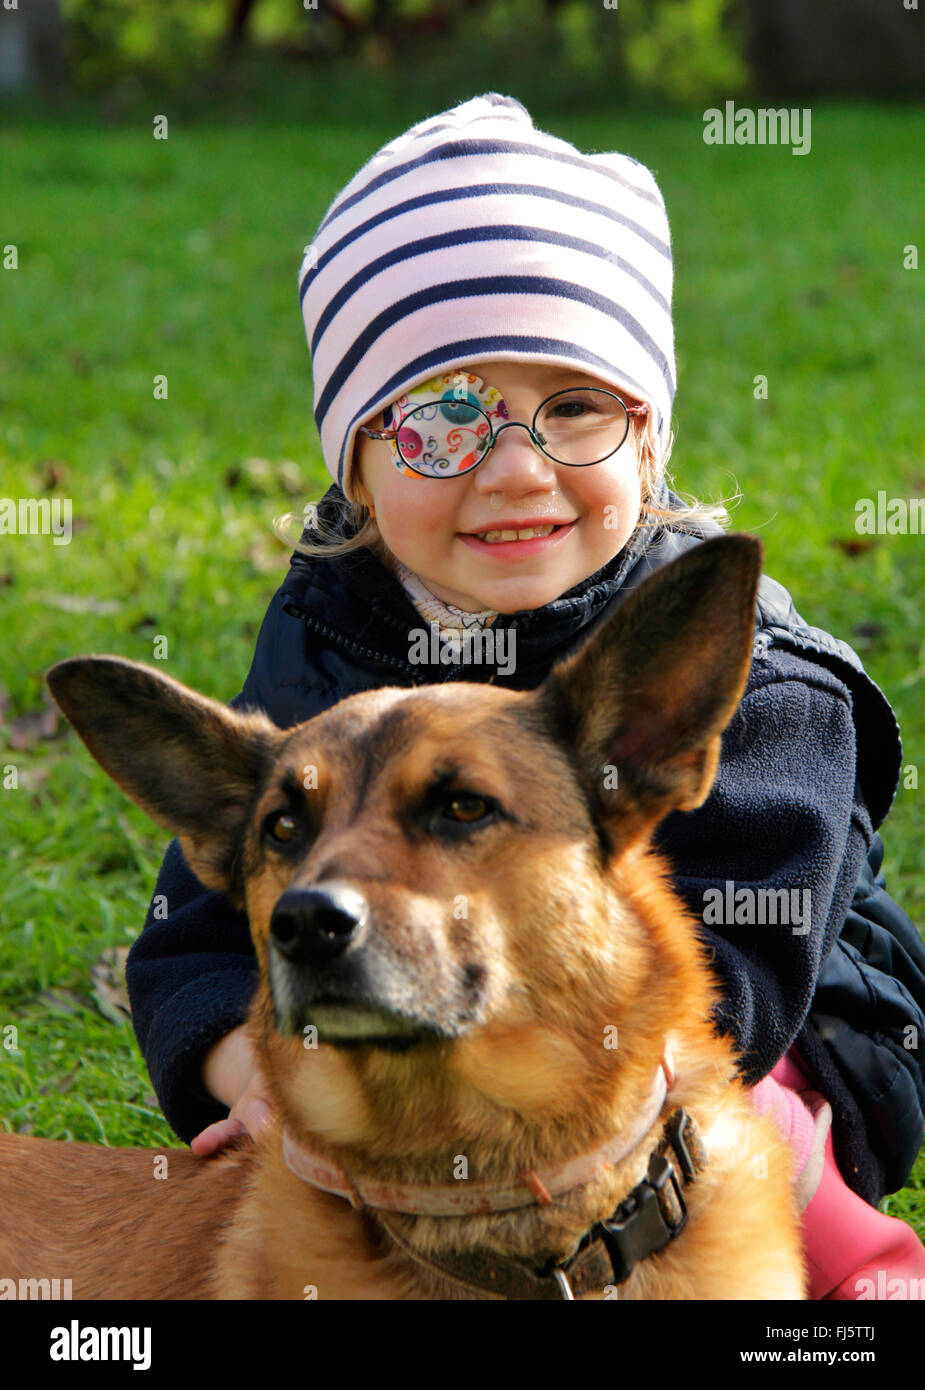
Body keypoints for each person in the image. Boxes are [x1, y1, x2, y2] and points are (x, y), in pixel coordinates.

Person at [126, 93, 925, 1298]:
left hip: (765, 1021)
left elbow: (736, 975)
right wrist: (256, 1077)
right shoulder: (322, 636)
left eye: (575, 408)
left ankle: (857, 1271)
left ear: (646, 439)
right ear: (354, 464)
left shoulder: (761, 676)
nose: (512, 468)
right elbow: (192, 933)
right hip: (410, 1002)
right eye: (443, 420)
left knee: (741, 1109)